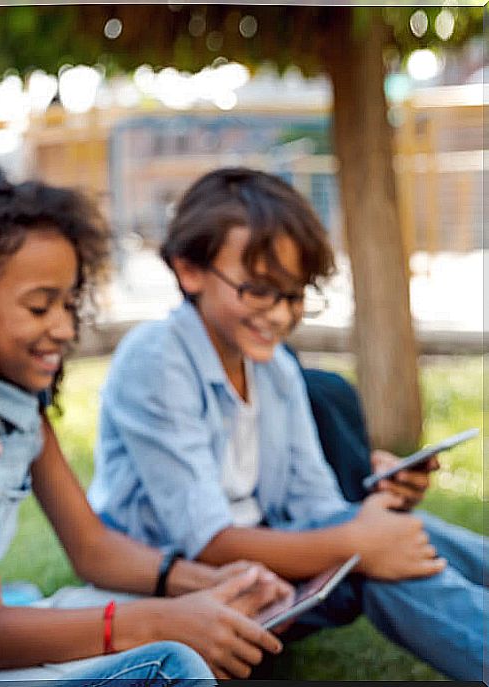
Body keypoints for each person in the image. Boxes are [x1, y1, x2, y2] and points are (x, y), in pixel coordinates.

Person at [0, 168, 294, 682]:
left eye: (68, 303)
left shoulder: (18, 408)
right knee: (173, 663)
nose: (64, 328)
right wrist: (161, 622)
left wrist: (211, 583)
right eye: (40, 307)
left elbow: (92, 548)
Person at [88, 167, 487, 681]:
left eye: (294, 295)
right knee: (378, 561)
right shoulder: (156, 358)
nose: (278, 315)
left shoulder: (273, 366)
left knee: (401, 538)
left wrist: (369, 525)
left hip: (267, 567)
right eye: (259, 290)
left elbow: (315, 504)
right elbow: (207, 541)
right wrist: (358, 544)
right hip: (182, 586)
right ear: (190, 271)